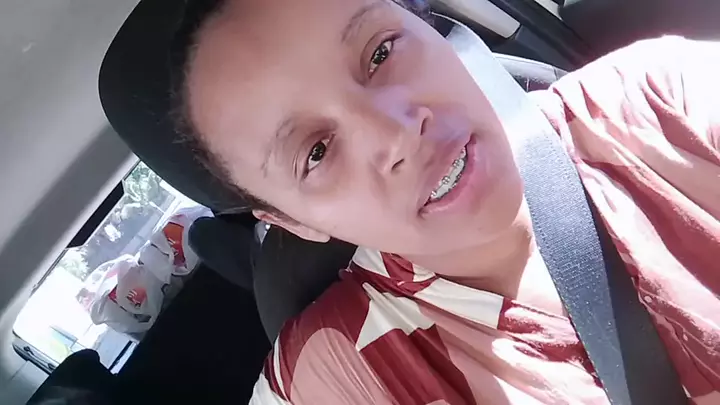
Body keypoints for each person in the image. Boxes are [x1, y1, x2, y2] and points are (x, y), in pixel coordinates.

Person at [169, 0, 720, 403]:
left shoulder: (655, 104)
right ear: (294, 222)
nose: (398, 133)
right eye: (316, 152)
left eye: (381, 52)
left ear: (426, 24)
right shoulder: (335, 373)